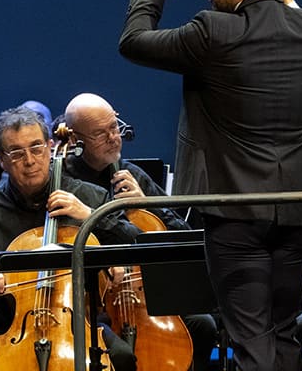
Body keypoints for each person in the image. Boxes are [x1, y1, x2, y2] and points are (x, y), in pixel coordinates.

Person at [118, 0, 302, 371]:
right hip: (299, 208)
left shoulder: (212, 31)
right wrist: (291, 7)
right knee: (281, 332)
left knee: (250, 338)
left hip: (236, 211)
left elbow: (133, 40)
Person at [0, 106, 140, 371]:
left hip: (80, 324)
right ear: (2, 159)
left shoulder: (89, 198)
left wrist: (91, 217)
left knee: (123, 356)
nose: (30, 160)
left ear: (49, 147)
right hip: (6, 328)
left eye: (36, 148)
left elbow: (135, 244)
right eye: (17, 152)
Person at [62, 92, 218, 371]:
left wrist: (146, 204)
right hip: (91, 303)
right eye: (101, 133)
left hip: (142, 295)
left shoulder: (132, 175)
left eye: (115, 127)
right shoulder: (64, 185)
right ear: (74, 140)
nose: (114, 137)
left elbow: (182, 237)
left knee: (203, 325)